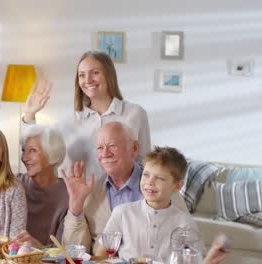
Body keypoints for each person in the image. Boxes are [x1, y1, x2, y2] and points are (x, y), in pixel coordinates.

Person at [61, 122, 188, 254]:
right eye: (99, 148)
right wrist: (76, 205)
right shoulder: (90, 190)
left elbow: (188, 247)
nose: (105, 154)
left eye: (112, 146)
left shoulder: (161, 189)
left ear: (134, 148)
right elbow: (73, 252)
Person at [22, 50, 151, 179]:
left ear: (109, 75)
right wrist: (29, 114)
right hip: (80, 198)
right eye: (82, 75)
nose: (88, 80)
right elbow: (36, 150)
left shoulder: (135, 114)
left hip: (125, 198)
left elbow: (145, 163)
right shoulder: (69, 120)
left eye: (95, 73)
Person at [95, 146, 201, 261]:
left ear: (177, 186)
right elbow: (101, 255)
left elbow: (195, 259)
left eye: (159, 178)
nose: (149, 182)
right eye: (146, 175)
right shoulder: (122, 213)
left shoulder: (184, 223)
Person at [13, 125, 69, 248]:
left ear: (51, 154)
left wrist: (40, 248)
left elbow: (63, 251)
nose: (24, 158)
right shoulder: (15, 184)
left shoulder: (68, 193)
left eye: (32, 151)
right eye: (23, 151)